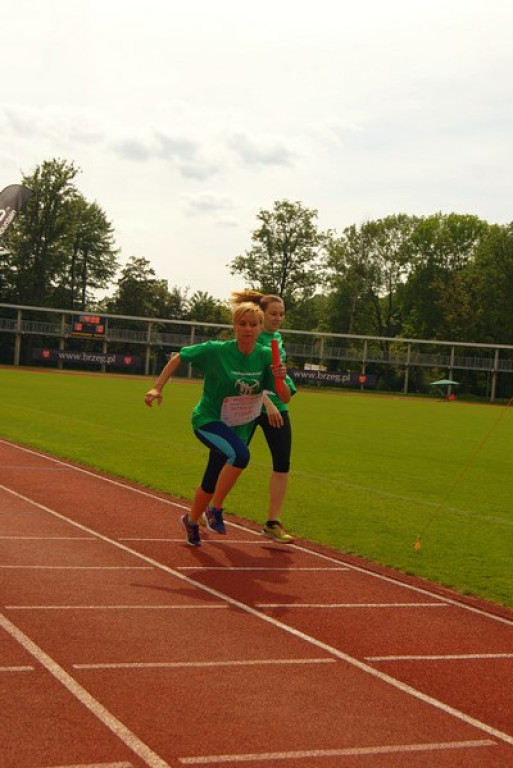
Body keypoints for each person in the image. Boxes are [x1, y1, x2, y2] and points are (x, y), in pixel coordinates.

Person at [144, 302, 291, 547]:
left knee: (211, 478)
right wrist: (157, 387)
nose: (247, 329)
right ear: (234, 326)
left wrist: (279, 378)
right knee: (241, 455)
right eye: (242, 324)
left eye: (253, 325)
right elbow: (180, 356)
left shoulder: (266, 355)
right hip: (208, 420)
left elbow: (284, 397)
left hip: (238, 425)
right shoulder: (217, 350)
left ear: (260, 328)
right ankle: (215, 509)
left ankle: (191, 521)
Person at [231, 290, 296, 543]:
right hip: (248, 407)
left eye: (282, 314)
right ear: (262, 313)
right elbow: (247, 376)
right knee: (232, 459)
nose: (278, 318)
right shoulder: (249, 338)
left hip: (277, 407)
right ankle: (210, 506)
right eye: (273, 314)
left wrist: (281, 394)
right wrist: (265, 401)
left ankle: (273, 522)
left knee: (282, 463)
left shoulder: (277, 339)